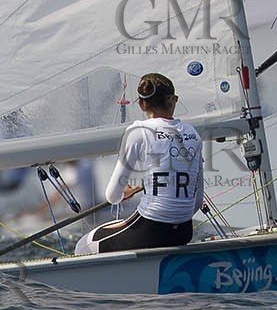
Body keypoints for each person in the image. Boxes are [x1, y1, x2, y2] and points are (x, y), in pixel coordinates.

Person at [84, 72, 203, 252]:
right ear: (172, 100)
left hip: (150, 231)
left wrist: (124, 193)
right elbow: (197, 200)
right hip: (184, 232)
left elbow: (112, 196)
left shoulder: (138, 131)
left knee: (85, 245)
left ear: (141, 104)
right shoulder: (192, 133)